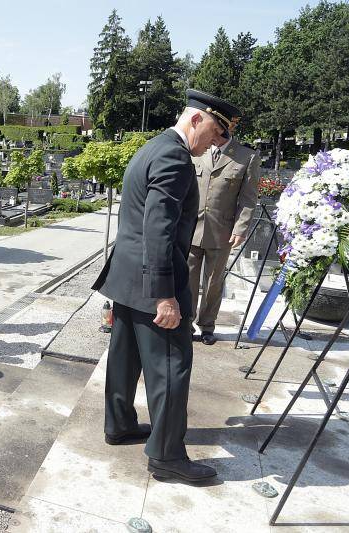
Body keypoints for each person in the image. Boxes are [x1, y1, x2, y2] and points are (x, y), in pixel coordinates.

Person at [92, 89, 238, 482]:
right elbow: (158, 229)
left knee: (124, 360)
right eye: (214, 131)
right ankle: (167, 457)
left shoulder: (152, 146)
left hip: (127, 279)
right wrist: (166, 296)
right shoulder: (174, 156)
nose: (215, 142)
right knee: (172, 369)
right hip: (152, 283)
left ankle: (120, 425)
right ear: (195, 119)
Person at [188, 129, 260, 345]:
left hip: (222, 231)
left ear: (219, 131)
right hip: (191, 229)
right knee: (187, 280)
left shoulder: (246, 156)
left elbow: (248, 198)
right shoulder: (196, 151)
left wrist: (241, 228)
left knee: (213, 282)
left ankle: (207, 326)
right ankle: (186, 324)